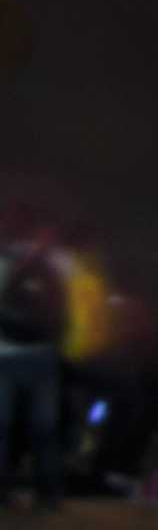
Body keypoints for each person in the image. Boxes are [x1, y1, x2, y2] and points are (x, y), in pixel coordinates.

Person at [0, 209, 66, 510]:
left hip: (5, 353)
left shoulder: (3, 262)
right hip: (42, 354)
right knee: (43, 427)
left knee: (2, 426)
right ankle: (48, 493)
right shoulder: (51, 266)